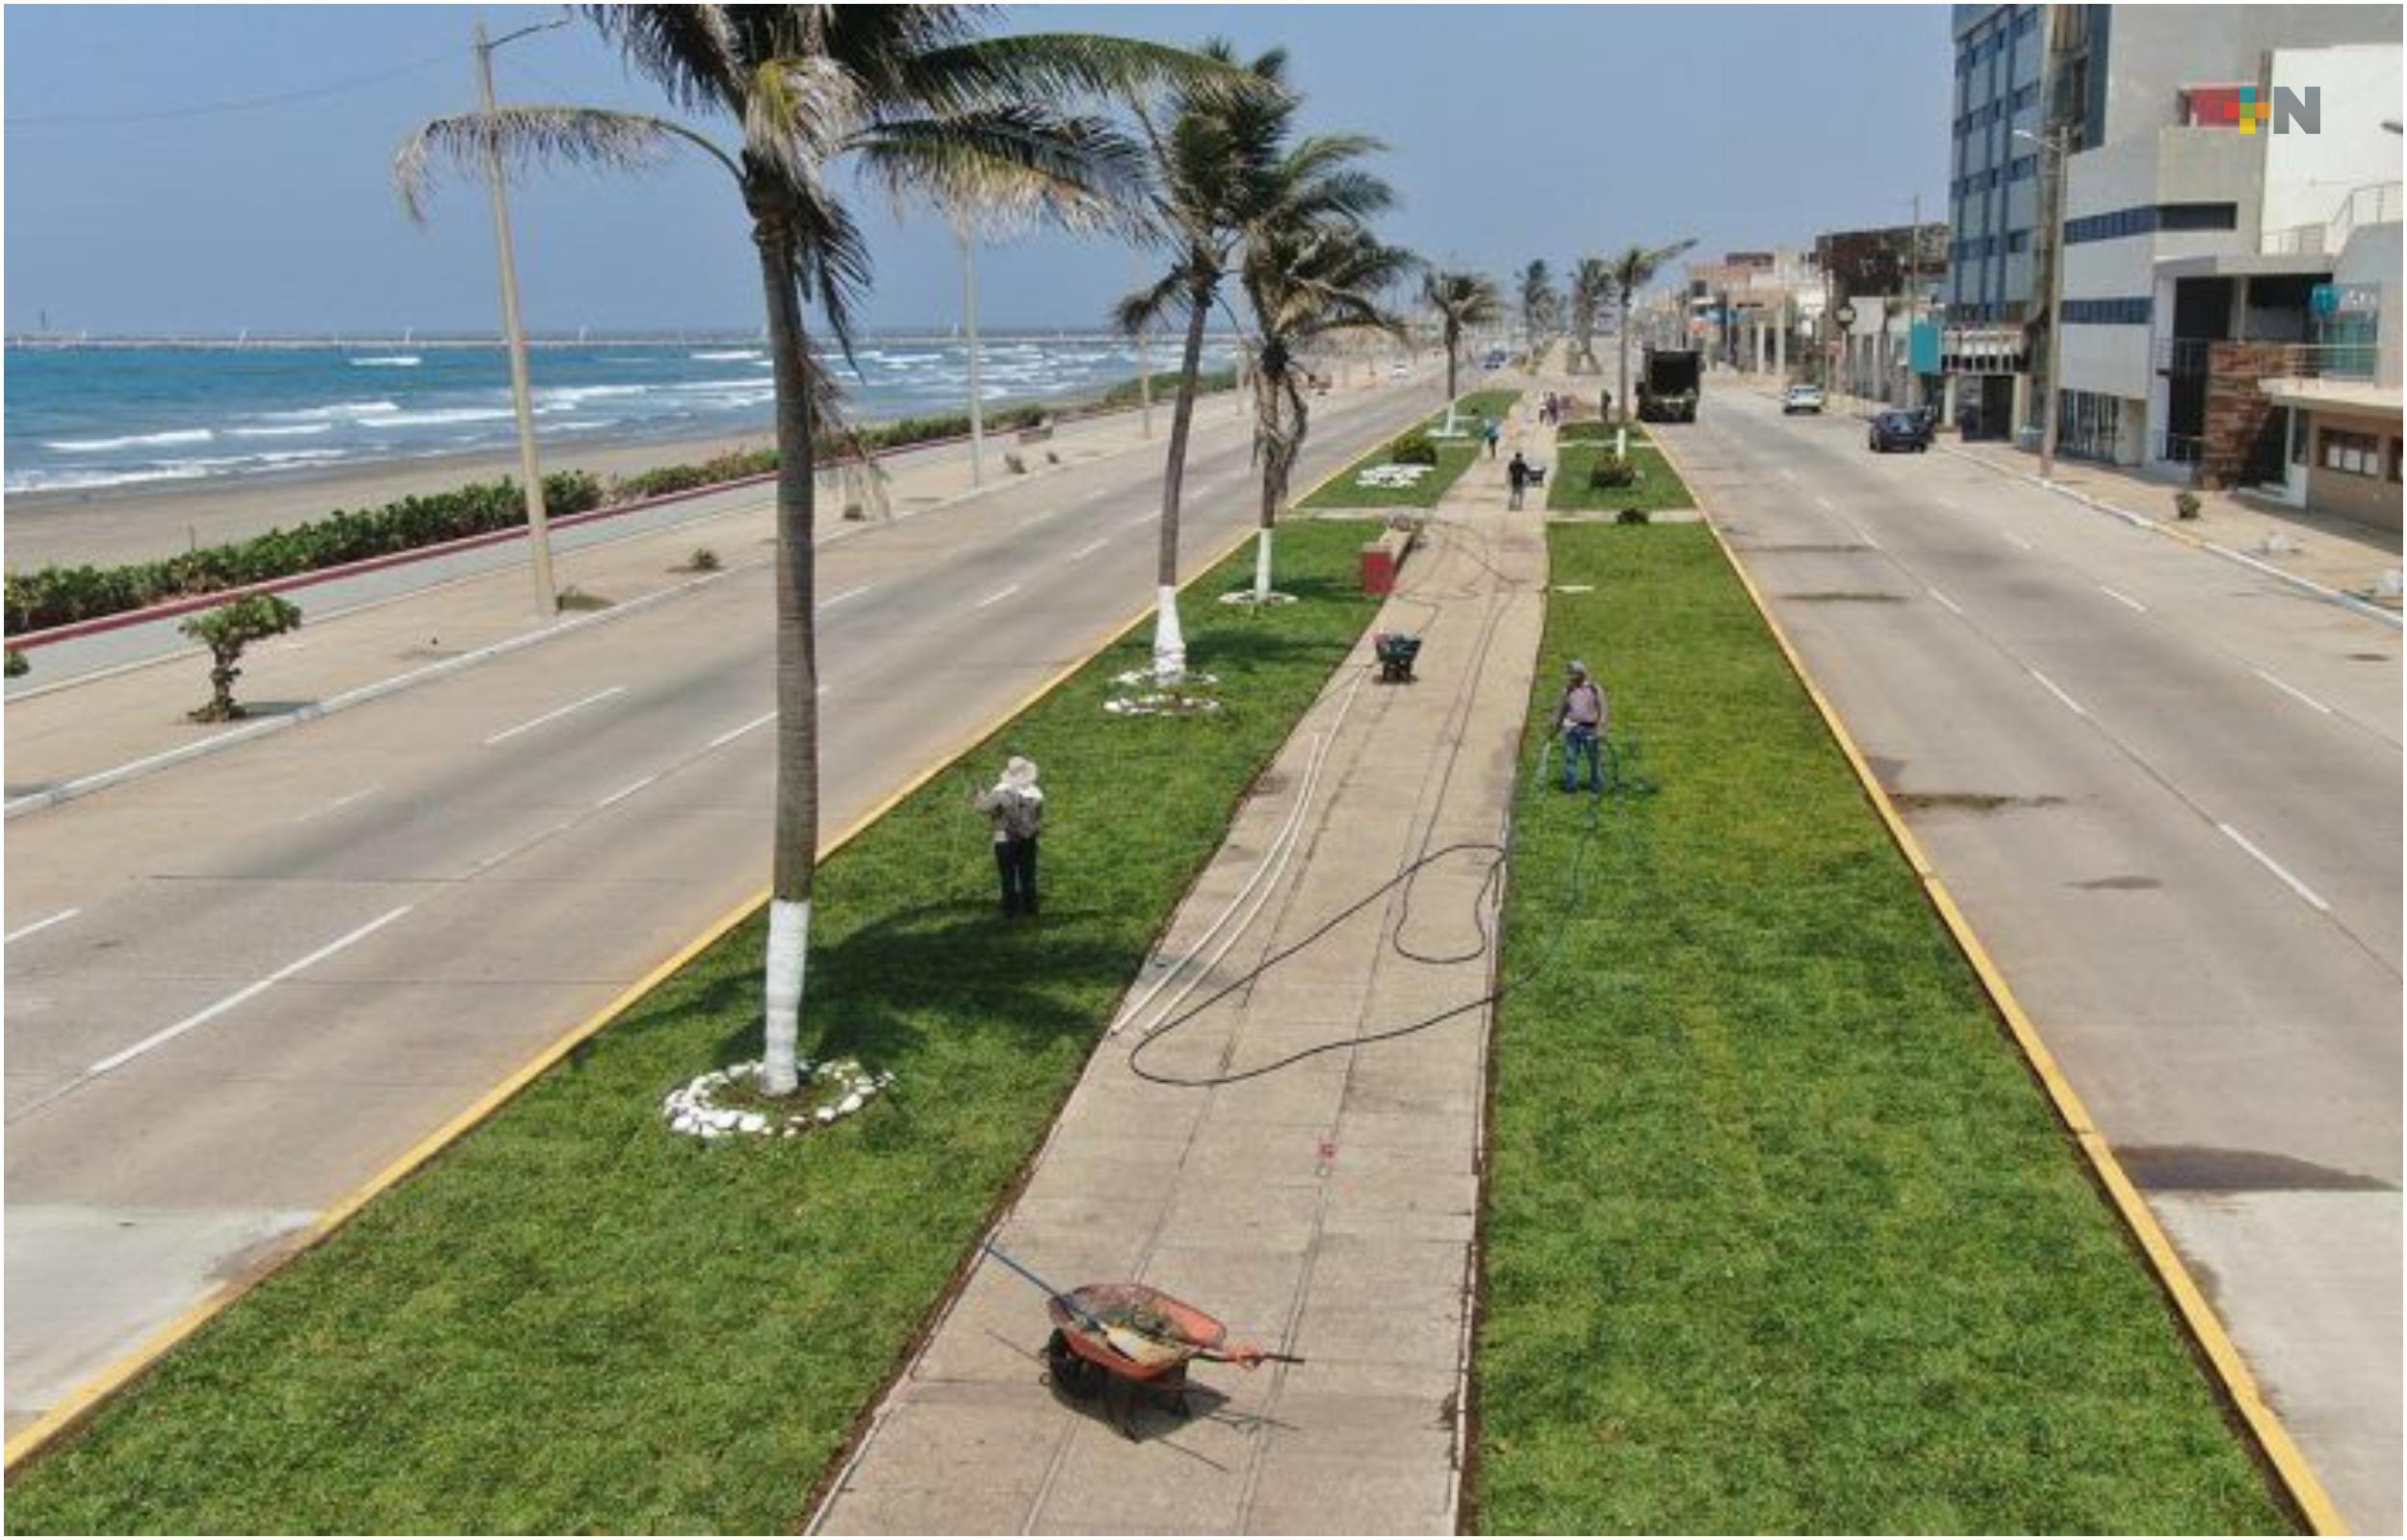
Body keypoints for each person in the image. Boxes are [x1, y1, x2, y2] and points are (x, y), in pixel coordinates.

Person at [972, 756, 1044, 915]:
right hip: (1028, 837)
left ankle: (1010, 908)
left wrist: (979, 795)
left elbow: (984, 808)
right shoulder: (1036, 793)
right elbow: (1038, 817)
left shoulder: (1000, 792)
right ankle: (1031, 907)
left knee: (1008, 874)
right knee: (1028, 873)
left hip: (1004, 838)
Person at [1553, 660, 1607, 793]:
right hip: (1572, 729)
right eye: (1570, 674)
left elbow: (1603, 709)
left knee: (1594, 757)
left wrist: (1600, 728)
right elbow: (1561, 710)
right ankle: (1570, 786)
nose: (1571, 677)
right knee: (1570, 757)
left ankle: (1597, 784)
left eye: (1574, 674)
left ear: (1582, 673)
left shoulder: (1594, 689)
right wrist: (1556, 726)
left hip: (1590, 728)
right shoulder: (1567, 690)